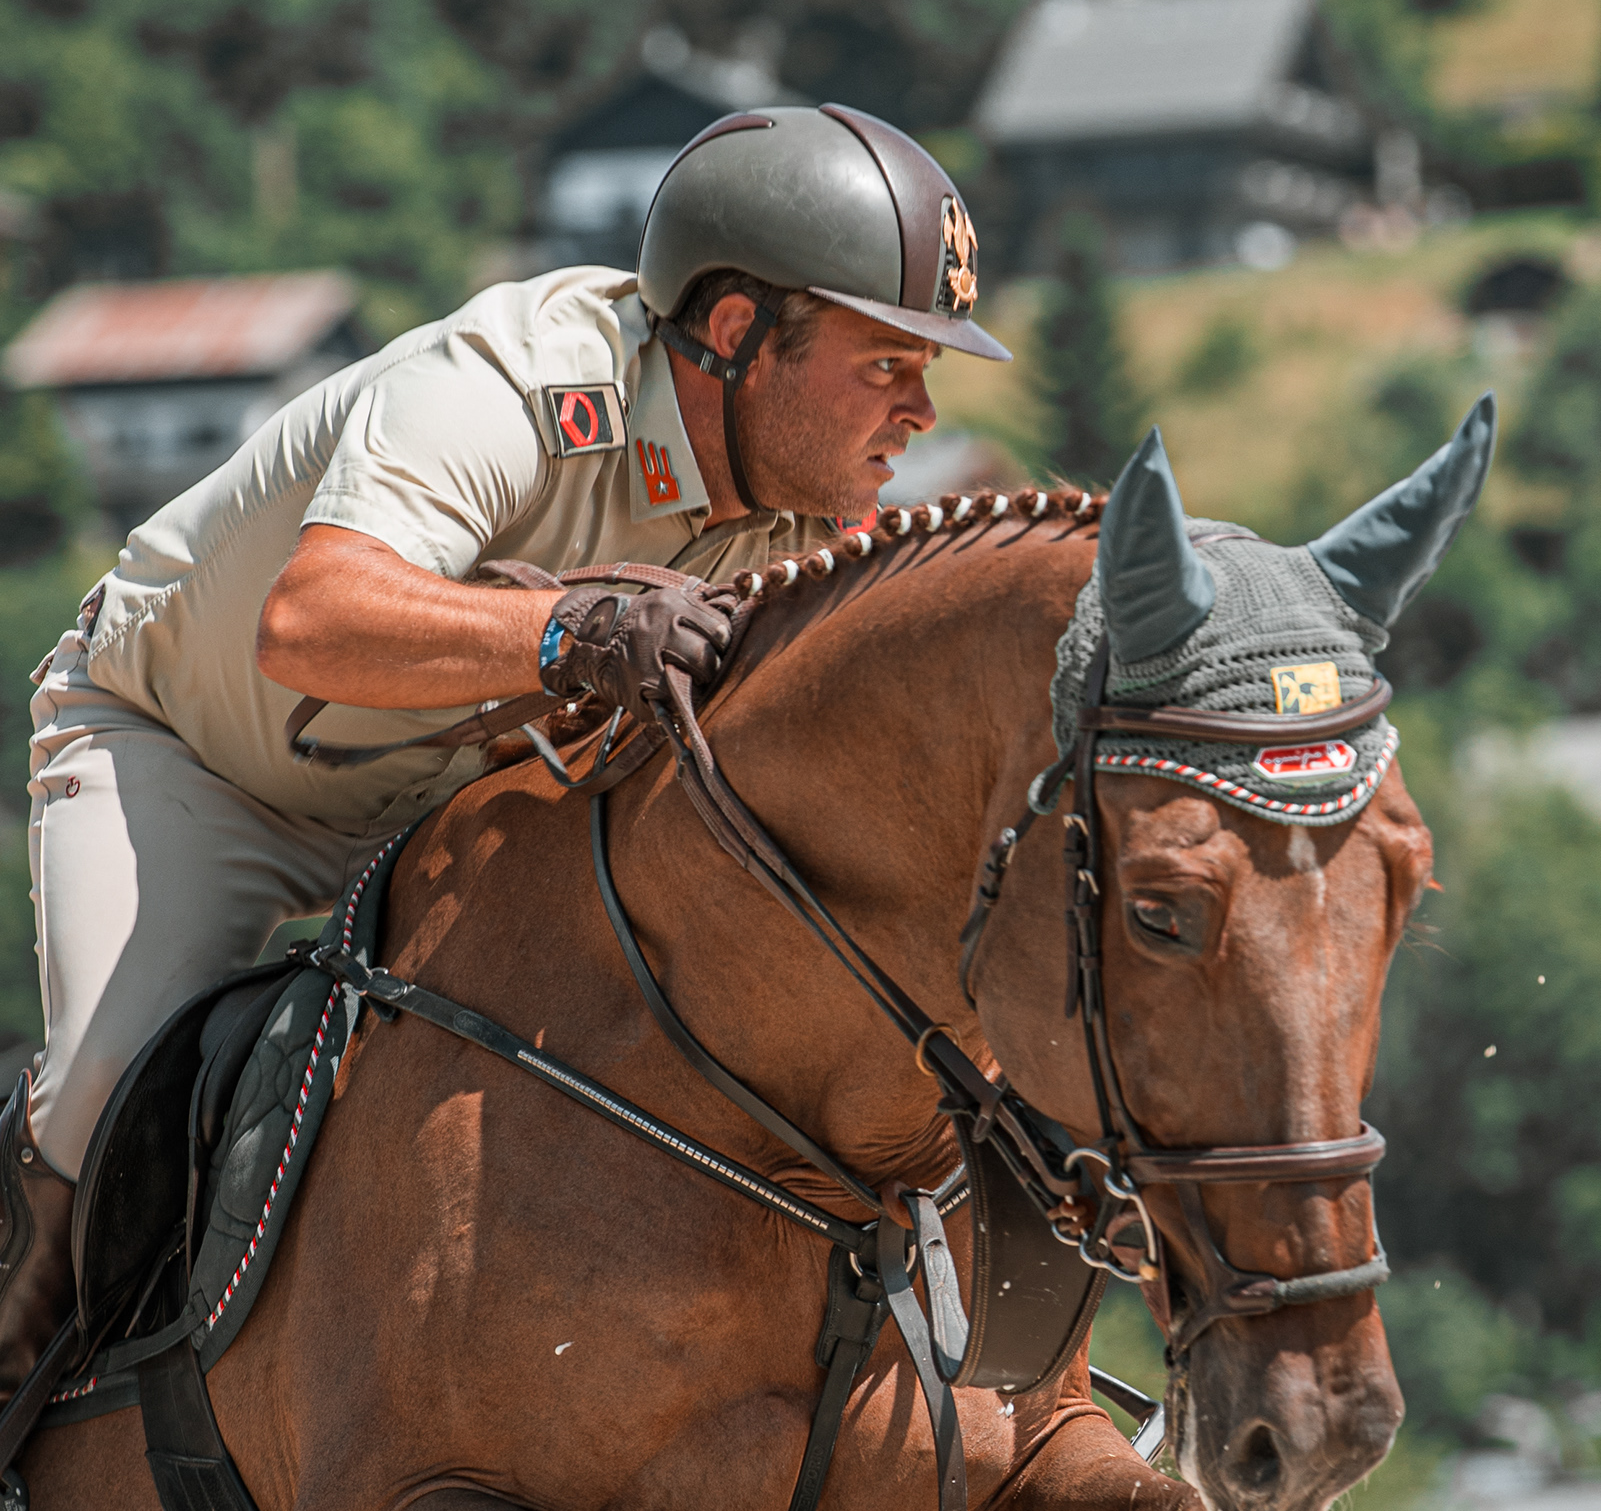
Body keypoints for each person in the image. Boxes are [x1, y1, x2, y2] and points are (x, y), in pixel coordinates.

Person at [0, 103, 1009, 1395]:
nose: (922, 411)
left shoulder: (809, 515)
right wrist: (578, 632)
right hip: (188, 756)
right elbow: (310, 622)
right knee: (106, 1093)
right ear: (738, 332)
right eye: (887, 365)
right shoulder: (517, 383)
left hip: (445, 814)